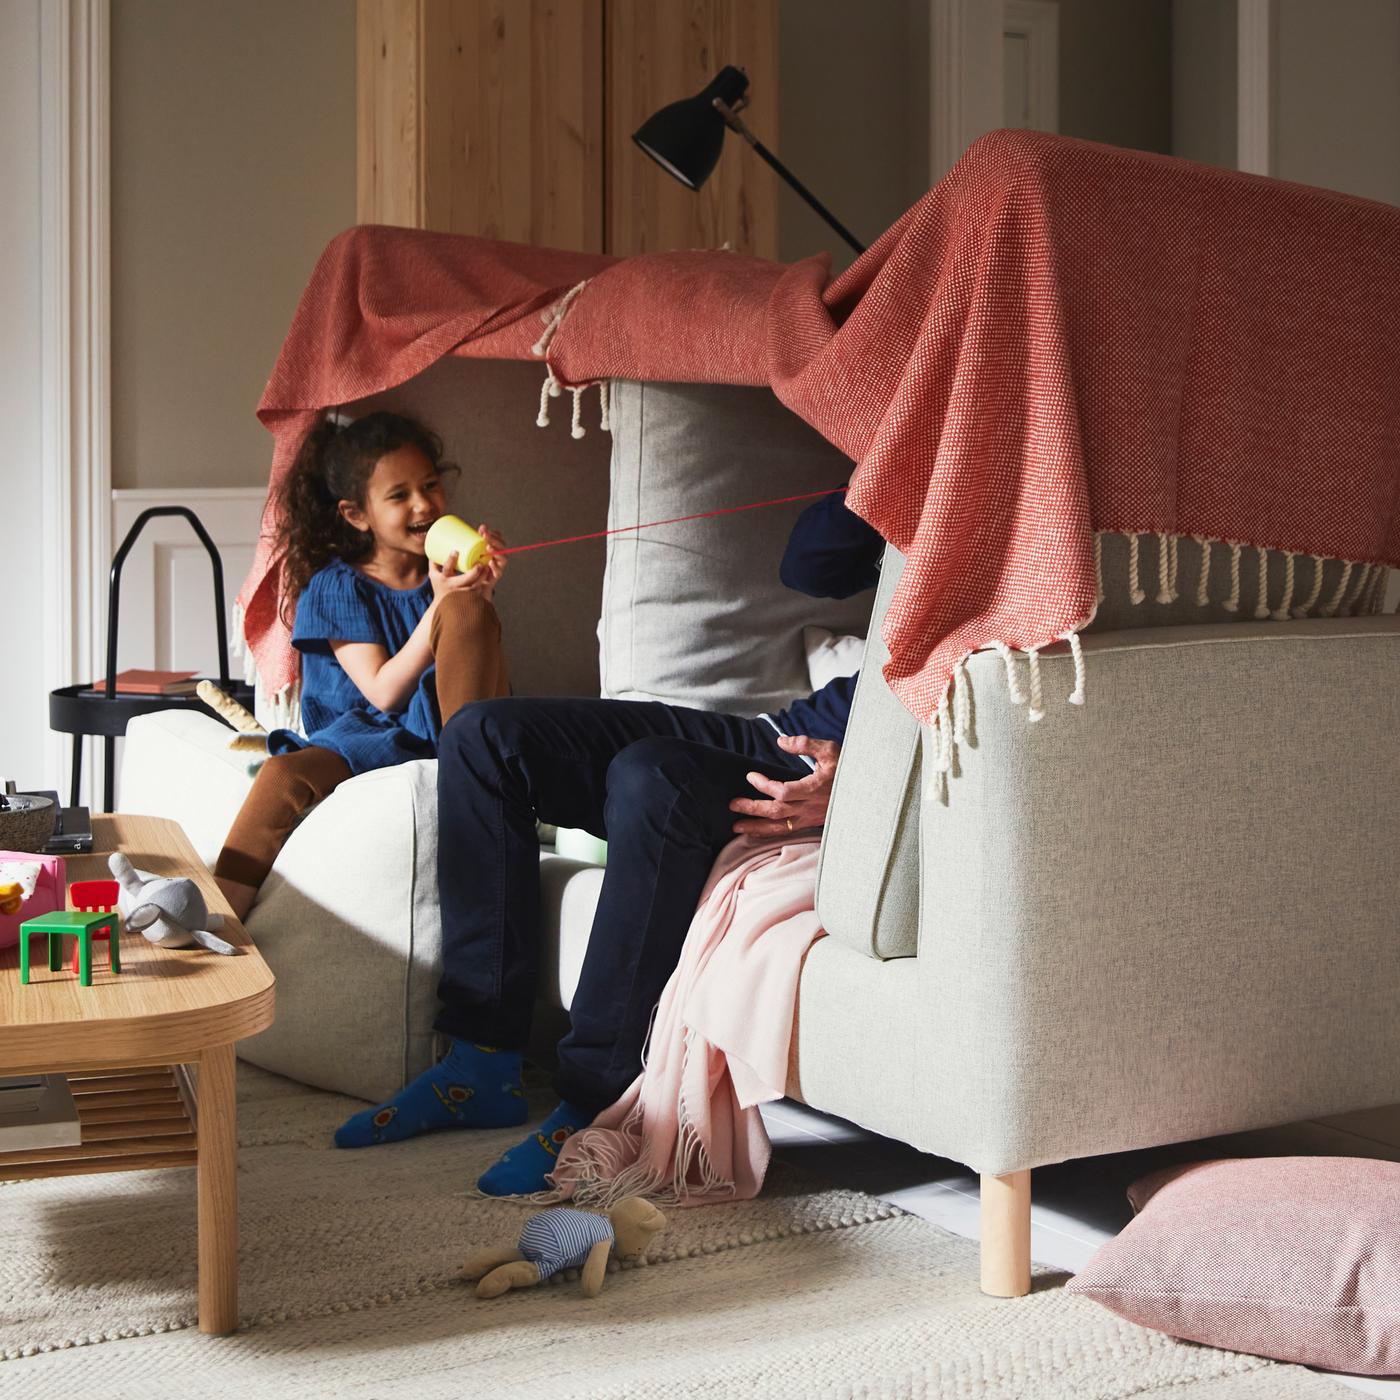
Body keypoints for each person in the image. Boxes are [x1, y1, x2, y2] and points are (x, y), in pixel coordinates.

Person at [334, 487, 884, 1195]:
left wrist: (862, 783)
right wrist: (894, 460)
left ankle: (595, 1101)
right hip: (774, 734)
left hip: (838, 766)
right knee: (484, 736)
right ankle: (479, 1066)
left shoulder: (1039, 543)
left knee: (650, 775)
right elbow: (812, 566)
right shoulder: (933, 470)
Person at [214, 412, 509, 922]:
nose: (423, 504)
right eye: (399, 496)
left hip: (450, 733)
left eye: (430, 485)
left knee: (469, 612)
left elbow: (479, 676)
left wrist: (475, 601)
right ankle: (217, 916)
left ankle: (484, 781)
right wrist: (441, 608)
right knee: (282, 776)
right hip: (362, 736)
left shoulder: (446, 581)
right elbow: (383, 693)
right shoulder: (337, 586)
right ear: (356, 515)